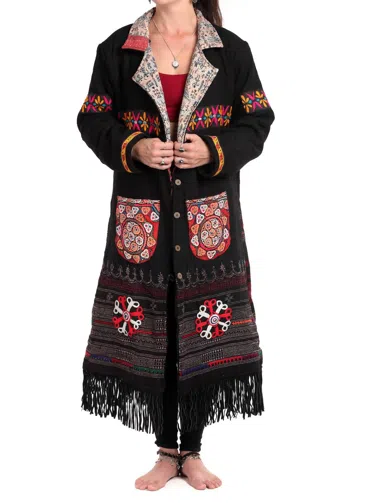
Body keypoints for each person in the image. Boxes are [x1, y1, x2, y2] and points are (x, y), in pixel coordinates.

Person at [77, 0, 275, 491]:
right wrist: (133, 146)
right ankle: (168, 451)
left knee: (200, 323)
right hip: (141, 216)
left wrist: (213, 150)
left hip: (208, 217)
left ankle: (193, 451)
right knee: (156, 321)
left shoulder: (230, 51)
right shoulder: (118, 49)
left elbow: (258, 120)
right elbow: (91, 119)